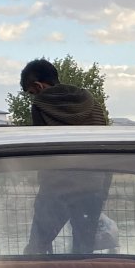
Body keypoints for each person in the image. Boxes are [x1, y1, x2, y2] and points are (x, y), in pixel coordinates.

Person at [20, 59, 110, 254]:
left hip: (56, 187)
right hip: (92, 186)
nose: (33, 98)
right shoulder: (91, 102)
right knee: (83, 249)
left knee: (37, 246)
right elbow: (104, 145)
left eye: (32, 93)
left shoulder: (41, 105)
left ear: (38, 86)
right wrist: (102, 189)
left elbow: (42, 150)